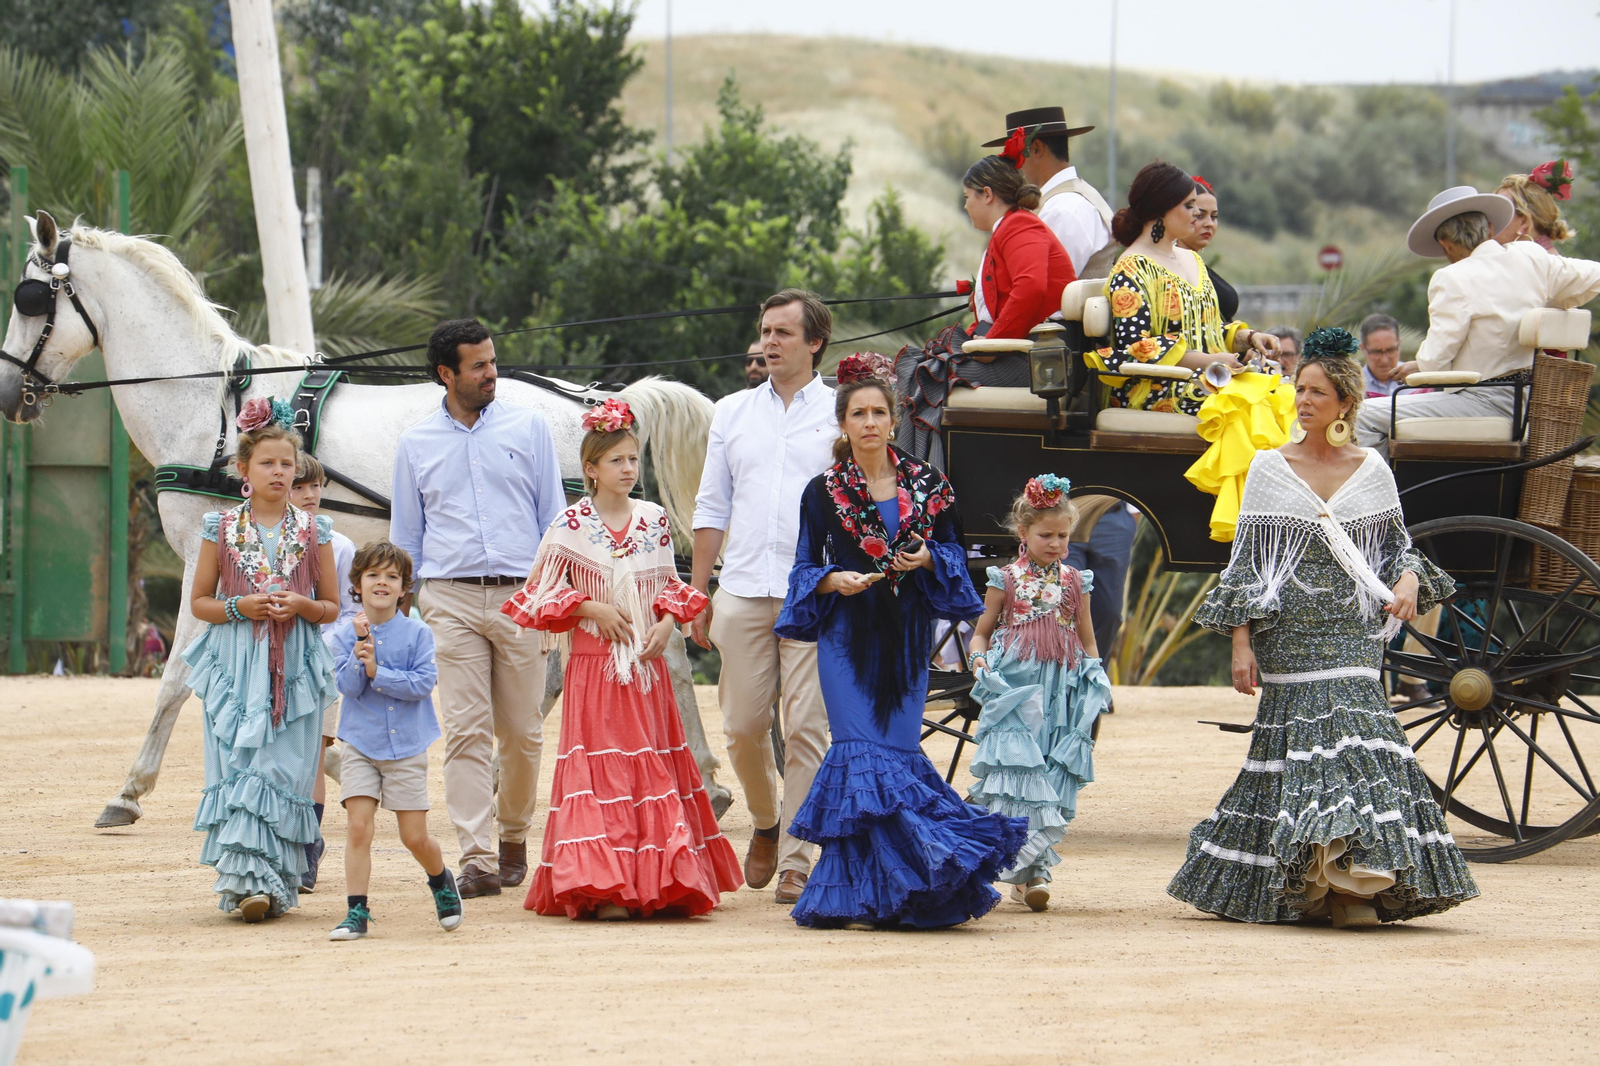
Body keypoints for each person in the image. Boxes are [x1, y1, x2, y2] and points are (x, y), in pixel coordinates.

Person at [1168, 329, 1478, 927]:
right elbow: (1249, 565)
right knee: (1310, 748)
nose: (1302, 401)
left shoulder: (1373, 470)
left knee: (1359, 741)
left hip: (1354, 630)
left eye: (1315, 392)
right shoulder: (1268, 468)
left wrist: (1410, 581)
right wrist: (1241, 640)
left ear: (1344, 403)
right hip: (1287, 633)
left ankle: (1353, 883)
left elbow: (1398, 550)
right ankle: (1327, 886)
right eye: (1298, 390)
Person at [775, 353, 1026, 929]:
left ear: (893, 421)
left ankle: (903, 887)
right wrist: (832, 578)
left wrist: (929, 555)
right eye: (858, 413)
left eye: (878, 412)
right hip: (845, 636)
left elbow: (956, 553)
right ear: (842, 424)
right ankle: (860, 891)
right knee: (858, 754)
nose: (868, 422)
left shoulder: (930, 484)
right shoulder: (822, 491)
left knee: (895, 753)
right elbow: (803, 566)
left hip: (908, 635)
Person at [503, 399, 741, 919]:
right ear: (591, 469)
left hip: (645, 669)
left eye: (633, 460)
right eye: (616, 461)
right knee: (600, 771)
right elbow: (537, 593)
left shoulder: (652, 520)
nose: (629, 469)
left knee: (649, 767)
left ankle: (658, 883)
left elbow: (668, 587)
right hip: (593, 668)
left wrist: (666, 623)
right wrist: (589, 606)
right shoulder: (569, 525)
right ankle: (602, 885)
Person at [390, 318, 565, 899]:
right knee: (466, 732)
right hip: (449, 598)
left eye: (493, 361)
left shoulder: (530, 426)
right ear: (447, 374)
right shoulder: (415, 444)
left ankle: (514, 835)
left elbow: (553, 520)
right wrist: (402, 612)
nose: (493, 373)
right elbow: (406, 540)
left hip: (523, 595)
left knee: (523, 733)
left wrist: (554, 599)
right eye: (479, 365)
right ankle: (478, 857)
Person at [690, 289, 836, 905]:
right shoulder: (731, 412)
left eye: (782, 332)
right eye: (765, 329)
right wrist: (697, 588)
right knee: (744, 729)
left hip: (815, 588)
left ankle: (800, 858)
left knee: (805, 728)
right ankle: (767, 823)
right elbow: (711, 503)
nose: (769, 341)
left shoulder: (841, 412)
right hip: (744, 586)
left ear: (815, 343)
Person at [183, 398, 340, 922]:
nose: (279, 471)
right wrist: (239, 606)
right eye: (268, 462)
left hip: (294, 664)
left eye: (287, 464)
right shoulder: (220, 528)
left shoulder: (315, 531)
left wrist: (302, 605)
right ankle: (248, 885)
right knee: (242, 765)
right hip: (236, 661)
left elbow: (331, 607)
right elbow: (200, 603)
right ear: (243, 469)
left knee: (286, 767)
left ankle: (275, 881)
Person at [1355, 186, 1600, 452]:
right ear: (1491, 228)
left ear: (1445, 244)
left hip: (1481, 402)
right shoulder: (1530, 257)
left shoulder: (1452, 278)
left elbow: (1436, 361)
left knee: (1361, 414)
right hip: (1526, 402)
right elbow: (1592, 276)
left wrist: (1422, 364)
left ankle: (1385, 493)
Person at [965, 474, 1110, 912]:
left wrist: (1094, 674)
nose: (1056, 543)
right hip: (1017, 688)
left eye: (1063, 535)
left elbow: (1086, 636)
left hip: (1060, 688)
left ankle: (1035, 870)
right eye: (1046, 535)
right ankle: (1026, 868)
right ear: (1022, 532)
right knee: (1019, 777)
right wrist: (979, 661)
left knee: (1047, 773)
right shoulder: (1004, 578)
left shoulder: (1074, 581)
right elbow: (981, 633)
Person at [326, 540, 461, 941]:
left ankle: (440, 880)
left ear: (405, 588)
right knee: (357, 828)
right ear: (357, 584)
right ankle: (357, 912)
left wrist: (378, 672)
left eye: (392, 577)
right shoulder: (339, 635)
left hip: (406, 748)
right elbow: (346, 687)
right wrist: (358, 654)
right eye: (373, 575)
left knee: (413, 836)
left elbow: (422, 684)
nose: (382, 583)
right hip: (360, 745)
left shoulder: (419, 633)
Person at [1089, 162, 1279, 415]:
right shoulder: (1131, 269)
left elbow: (1204, 332)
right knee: (1244, 407)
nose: (1196, 214)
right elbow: (1135, 347)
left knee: (1280, 392)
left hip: (1204, 376)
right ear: (1161, 210)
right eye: (1189, 206)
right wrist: (1209, 360)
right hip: (1158, 385)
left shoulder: (1192, 259)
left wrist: (1250, 338)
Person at [290, 454, 359, 892]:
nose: (311, 494)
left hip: (321, 665)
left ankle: (308, 849)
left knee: (313, 758)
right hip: (272, 660)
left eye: (316, 485)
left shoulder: (340, 544)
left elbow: (350, 612)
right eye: (301, 486)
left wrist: (325, 647)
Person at [988, 106, 1117, 279]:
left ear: (1036, 149)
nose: (1013, 165)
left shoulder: (1062, 209)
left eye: (1014, 154)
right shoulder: (1071, 198)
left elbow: (1043, 288)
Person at [964, 149, 1077, 342]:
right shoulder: (1010, 226)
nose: (966, 206)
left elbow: (1031, 287)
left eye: (967, 197)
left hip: (1043, 348)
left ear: (987, 194)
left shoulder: (1020, 226)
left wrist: (993, 343)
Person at [1183, 175, 1238, 322]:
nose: (1210, 224)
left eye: (1214, 216)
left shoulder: (1197, 265)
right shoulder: (1167, 269)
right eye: (1200, 216)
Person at [1495, 162, 1575, 252]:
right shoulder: (1542, 259)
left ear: (1523, 222)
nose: (1488, 217)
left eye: (1497, 210)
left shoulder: (1529, 262)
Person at [1358, 313, 1404, 398]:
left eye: (1390, 350)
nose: (1384, 360)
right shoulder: (1354, 388)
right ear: (1363, 349)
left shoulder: (1418, 380)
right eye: (1376, 352)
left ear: (1399, 345)